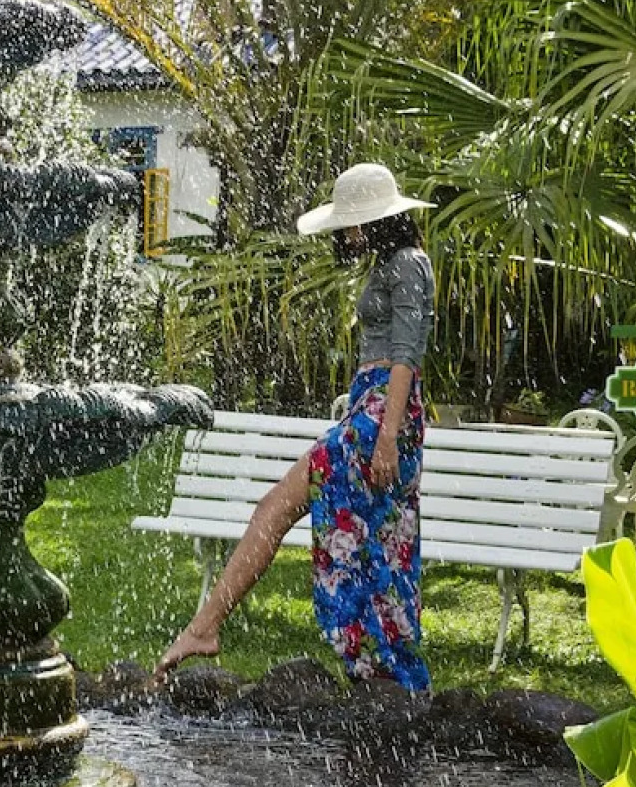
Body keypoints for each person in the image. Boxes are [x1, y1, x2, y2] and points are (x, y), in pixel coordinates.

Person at [153, 163, 435, 691]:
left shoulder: (408, 264)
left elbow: (406, 357)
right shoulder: (389, 263)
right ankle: (385, 675)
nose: (345, 233)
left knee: (281, 506)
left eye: (351, 222)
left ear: (375, 221)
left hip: (382, 415)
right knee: (374, 539)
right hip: (368, 409)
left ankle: (205, 627)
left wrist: (389, 435)